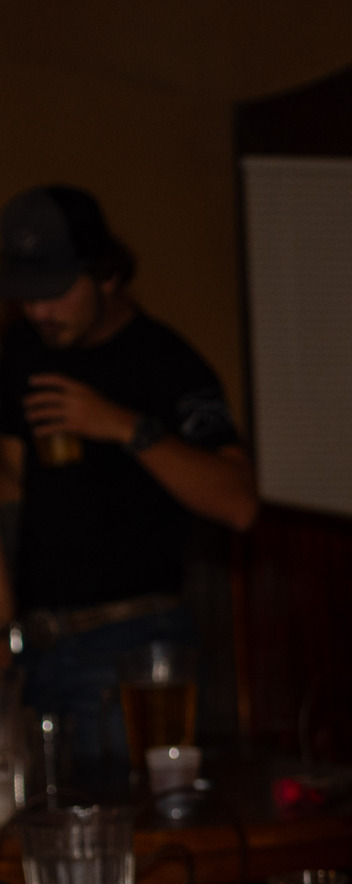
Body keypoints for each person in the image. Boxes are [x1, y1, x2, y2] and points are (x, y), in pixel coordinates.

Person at [0, 185, 257, 785]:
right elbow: (9, 484)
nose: (39, 311)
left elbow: (239, 503)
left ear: (107, 274)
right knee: (40, 824)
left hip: (134, 647)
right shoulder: (22, 351)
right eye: (26, 295)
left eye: (55, 291)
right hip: (36, 648)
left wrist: (122, 426)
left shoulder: (164, 360)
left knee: (138, 827)